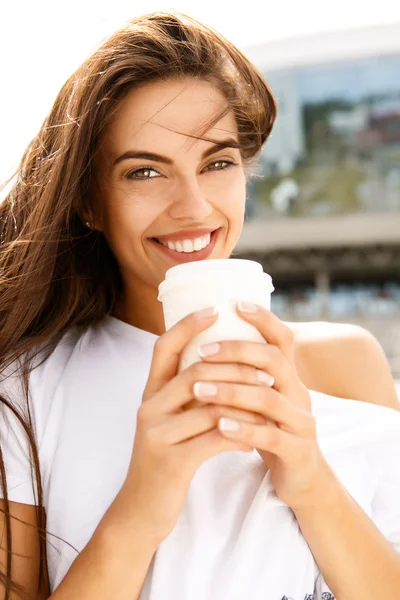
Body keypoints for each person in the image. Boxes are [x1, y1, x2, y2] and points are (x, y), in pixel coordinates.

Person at [0, 10, 399, 600]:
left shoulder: (347, 364)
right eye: (144, 172)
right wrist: (142, 504)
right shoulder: (25, 393)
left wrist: (310, 479)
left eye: (217, 163)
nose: (193, 207)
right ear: (89, 201)